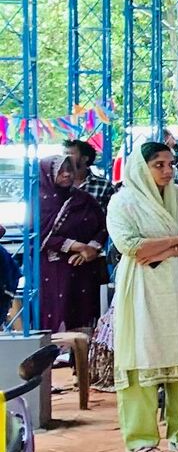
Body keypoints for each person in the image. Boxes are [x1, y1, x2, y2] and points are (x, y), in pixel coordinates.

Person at [106, 141, 178, 452]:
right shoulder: (123, 202)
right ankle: (140, 438)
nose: (168, 171)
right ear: (141, 168)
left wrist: (166, 250)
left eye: (171, 164)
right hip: (142, 289)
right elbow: (131, 247)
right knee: (141, 356)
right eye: (159, 165)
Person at [36, 138, 111, 337]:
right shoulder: (39, 201)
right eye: (61, 171)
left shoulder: (83, 198)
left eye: (69, 170)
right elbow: (39, 236)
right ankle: (58, 352)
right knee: (57, 313)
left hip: (85, 265)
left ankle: (81, 354)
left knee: (84, 313)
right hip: (54, 269)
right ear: (48, 175)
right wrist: (77, 246)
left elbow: (104, 225)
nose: (67, 174)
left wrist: (91, 249)